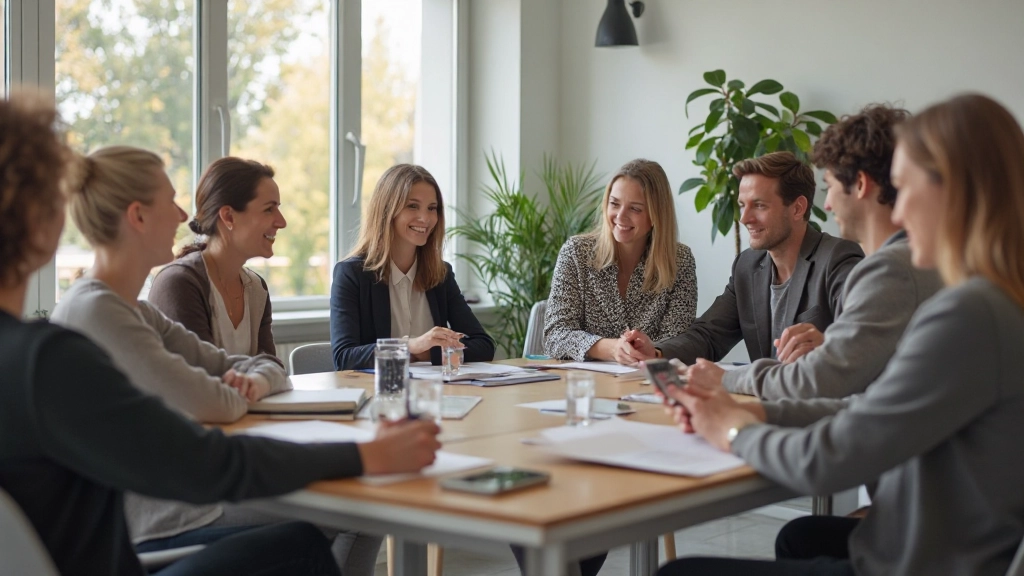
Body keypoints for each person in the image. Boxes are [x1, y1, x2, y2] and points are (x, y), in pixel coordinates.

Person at [0, 90, 440, 576]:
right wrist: (365, 454)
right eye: (170, 200)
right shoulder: (59, 347)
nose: (183, 216)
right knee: (303, 542)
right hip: (157, 536)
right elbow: (205, 457)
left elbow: (225, 399)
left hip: (145, 536)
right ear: (45, 226)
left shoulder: (94, 325)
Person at [659, 93, 1024, 576]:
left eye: (905, 186)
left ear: (950, 191)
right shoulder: (996, 299)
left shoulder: (968, 313)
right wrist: (752, 409)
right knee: (800, 537)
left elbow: (831, 458)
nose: (900, 209)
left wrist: (731, 429)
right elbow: (874, 410)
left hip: (919, 563)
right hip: (950, 545)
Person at [50, 146, 380, 575]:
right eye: (169, 200)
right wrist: (239, 385)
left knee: (352, 503)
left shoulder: (134, 310)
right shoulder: (98, 311)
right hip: (157, 521)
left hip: (185, 496)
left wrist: (251, 381)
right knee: (347, 509)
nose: (182, 213)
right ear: (138, 216)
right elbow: (215, 403)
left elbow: (244, 367)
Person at [687, 104, 943, 400]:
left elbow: (829, 377)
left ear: (859, 184)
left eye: (829, 185)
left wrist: (733, 411)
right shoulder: (747, 265)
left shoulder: (883, 268)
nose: (829, 204)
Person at [619, 151, 864, 366]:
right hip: (763, 405)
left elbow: (863, 341)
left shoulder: (838, 259)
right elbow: (708, 335)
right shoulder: (747, 266)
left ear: (798, 208)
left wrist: (824, 344)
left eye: (759, 205)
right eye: (742, 205)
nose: (744, 218)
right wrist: (658, 352)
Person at [331, 163, 495, 370]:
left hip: (435, 394)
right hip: (380, 393)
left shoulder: (441, 274)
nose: (425, 218)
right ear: (387, 210)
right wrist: (411, 346)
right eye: (412, 206)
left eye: (432, 208)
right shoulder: (352, 274)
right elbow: (344, 357)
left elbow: (484, 346)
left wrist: (427, 351)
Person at [543, 158, 698, 362]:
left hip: (648, 385)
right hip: (586, 385)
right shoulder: (576, 253)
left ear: (656, 215)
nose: (620, 216)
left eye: (635, 209)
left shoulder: (679, 261)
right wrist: (611, 348)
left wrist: (651, 350)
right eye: (614, 203)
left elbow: (679, 341)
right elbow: (555, 335)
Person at [148, 156, 286, 357]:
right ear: (229, 217)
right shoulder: (179, 284)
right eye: (268, 209)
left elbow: (274, 370)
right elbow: (202, 378)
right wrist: (259, 379)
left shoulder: (256, 288)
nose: (281, 222)